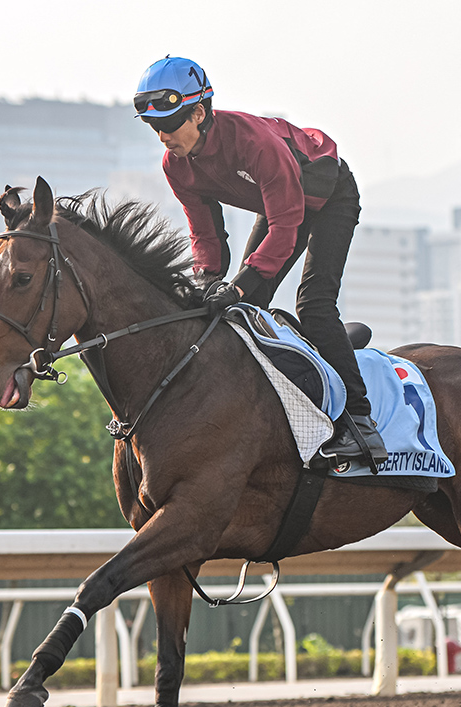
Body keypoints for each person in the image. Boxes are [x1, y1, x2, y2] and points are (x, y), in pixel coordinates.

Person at [134, 56, 387, 469]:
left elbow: (286, 229)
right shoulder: (175, 166)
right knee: (241, 310)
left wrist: (238, 283)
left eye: (169, 123)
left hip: (329, 197)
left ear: (199, 113)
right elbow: (207, 237)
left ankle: (359, 422)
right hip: (281, 206)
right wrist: (205, 282)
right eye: (153, 127)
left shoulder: (254, 144)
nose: (162, 136)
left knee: (314, 306)